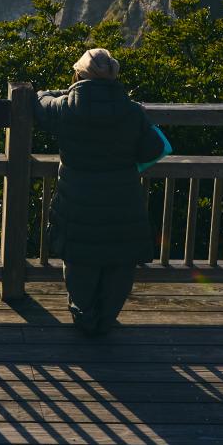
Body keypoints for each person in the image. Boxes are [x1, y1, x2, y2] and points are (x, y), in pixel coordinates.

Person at [32, 48, 167, 336]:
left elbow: (40, 99)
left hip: (77, 200)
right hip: (123, 199)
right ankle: (107, 319)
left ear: (78, 74)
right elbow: (153, 148)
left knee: (79, 259)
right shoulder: (131, 111)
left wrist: (64, 90)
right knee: (120, 259)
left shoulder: (66, 108)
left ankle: (84, 317)